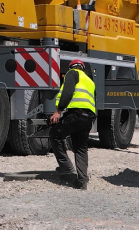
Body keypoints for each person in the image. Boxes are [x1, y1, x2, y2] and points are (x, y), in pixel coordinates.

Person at [49, 59, 97, 190]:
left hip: (76, 114)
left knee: (55, 135)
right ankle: (82, 181)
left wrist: (59, 111)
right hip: (88, 118)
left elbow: (68, 92)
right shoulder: (89, 80)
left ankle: (66, 168)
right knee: (81, 147)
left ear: (72, 67)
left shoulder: (72, 73)